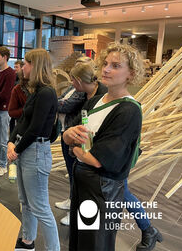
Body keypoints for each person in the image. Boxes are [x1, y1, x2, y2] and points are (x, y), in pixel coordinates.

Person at [63, 43, 144, 250]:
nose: (107, 69)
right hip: (83, 185)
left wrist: (75, 148)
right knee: (80, 239)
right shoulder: (95, 101)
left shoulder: (128, 110)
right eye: (106, 64)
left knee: (96, 243)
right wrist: (69, 135)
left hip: (103, 191)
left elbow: (98, 159)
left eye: (116, 66)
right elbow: (68, 135)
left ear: (131, 74)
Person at [7, 49, 60, 251]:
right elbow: (22, 121)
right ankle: (28, 241)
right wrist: (11, 142)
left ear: (35, 66)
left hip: (35, 151)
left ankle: (53, 248)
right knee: (26, 202)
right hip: (27, 149)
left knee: (40, 207)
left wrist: (16, 149)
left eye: (26, 64)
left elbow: (36, 128)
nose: (22, 68)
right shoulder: (36, 90)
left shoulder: (46, 92)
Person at [55, 57, 107, 226]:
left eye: (72, 80)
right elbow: (82, 117)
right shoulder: (88, 93)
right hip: (81, 140)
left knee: (84, 182)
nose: (71, 84)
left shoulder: (103, 94)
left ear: (78, 80)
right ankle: (73, 204)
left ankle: (77, 212)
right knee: (74, 175)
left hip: (95, 146)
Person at [0, 46, 16, 176]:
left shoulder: (10, 73)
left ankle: (3, 164)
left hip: (3, 110)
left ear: (5, 57)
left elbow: (5, 94)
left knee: (2, 139)